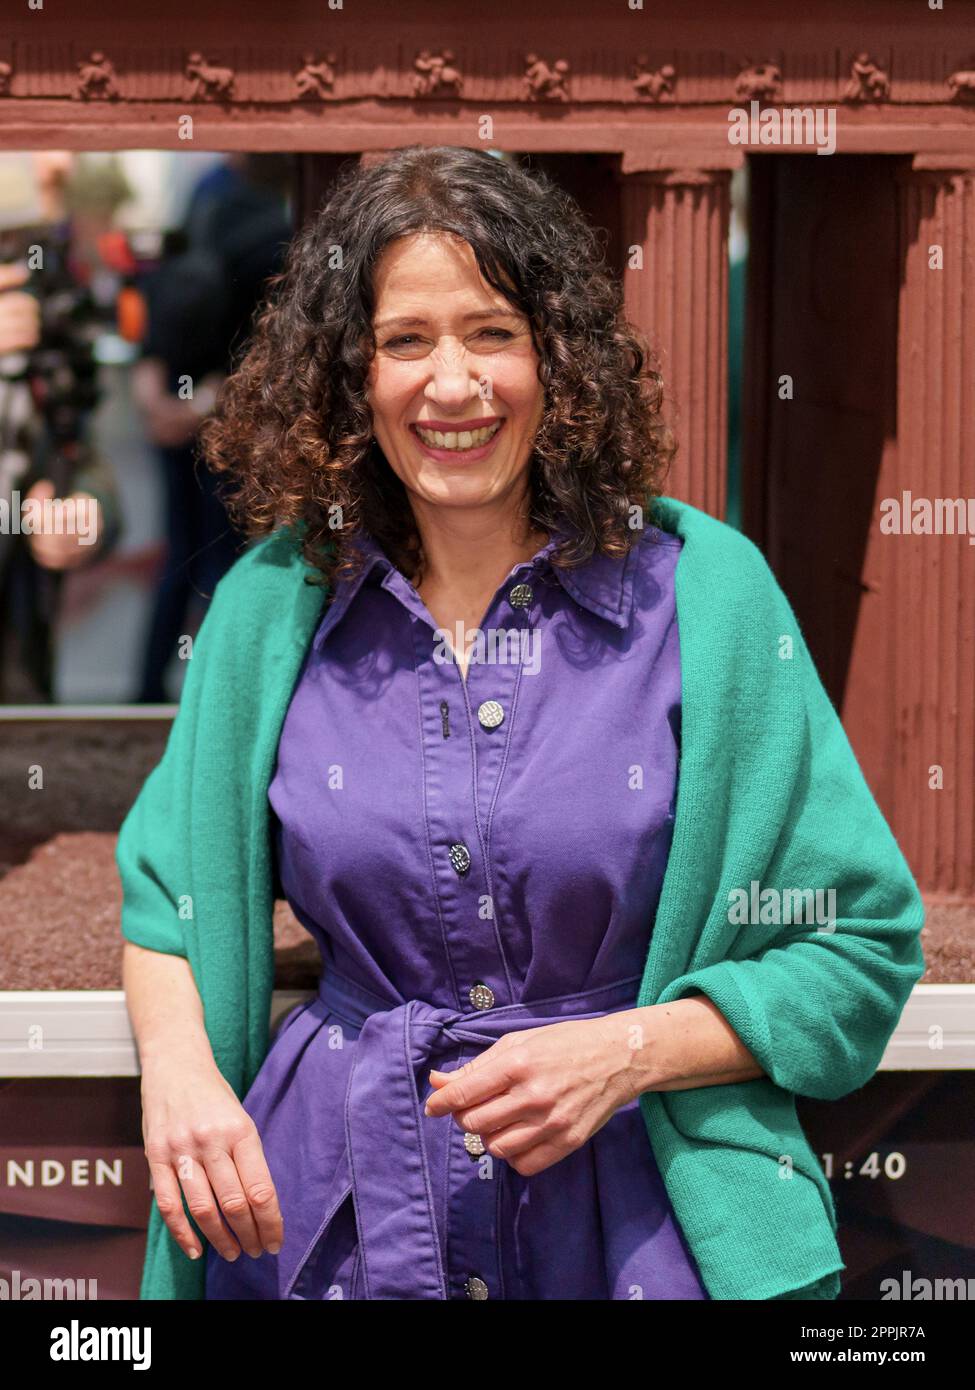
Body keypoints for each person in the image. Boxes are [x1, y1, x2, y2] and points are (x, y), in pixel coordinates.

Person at [117, 146, 926, 1301]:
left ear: (560, 356)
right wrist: (184, 1079)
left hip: (639, 1221)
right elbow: (165, 903)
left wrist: (628, 1050)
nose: (455, 384)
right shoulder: (271, 606)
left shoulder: (707, 596)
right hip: (330, 1220)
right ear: (352, 375)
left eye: (493, 332)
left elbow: (861, 945)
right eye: (406, 341)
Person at [131, 153, 292, 702]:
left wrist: (157, 398)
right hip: (225, 420)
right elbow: (269, 356)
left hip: (178, 411)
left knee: (181, 554)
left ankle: (148, 692)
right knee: (226, 557)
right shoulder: (279, 227)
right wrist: (202, 405)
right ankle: (223, 697)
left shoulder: (204, 196)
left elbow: (162, 292)